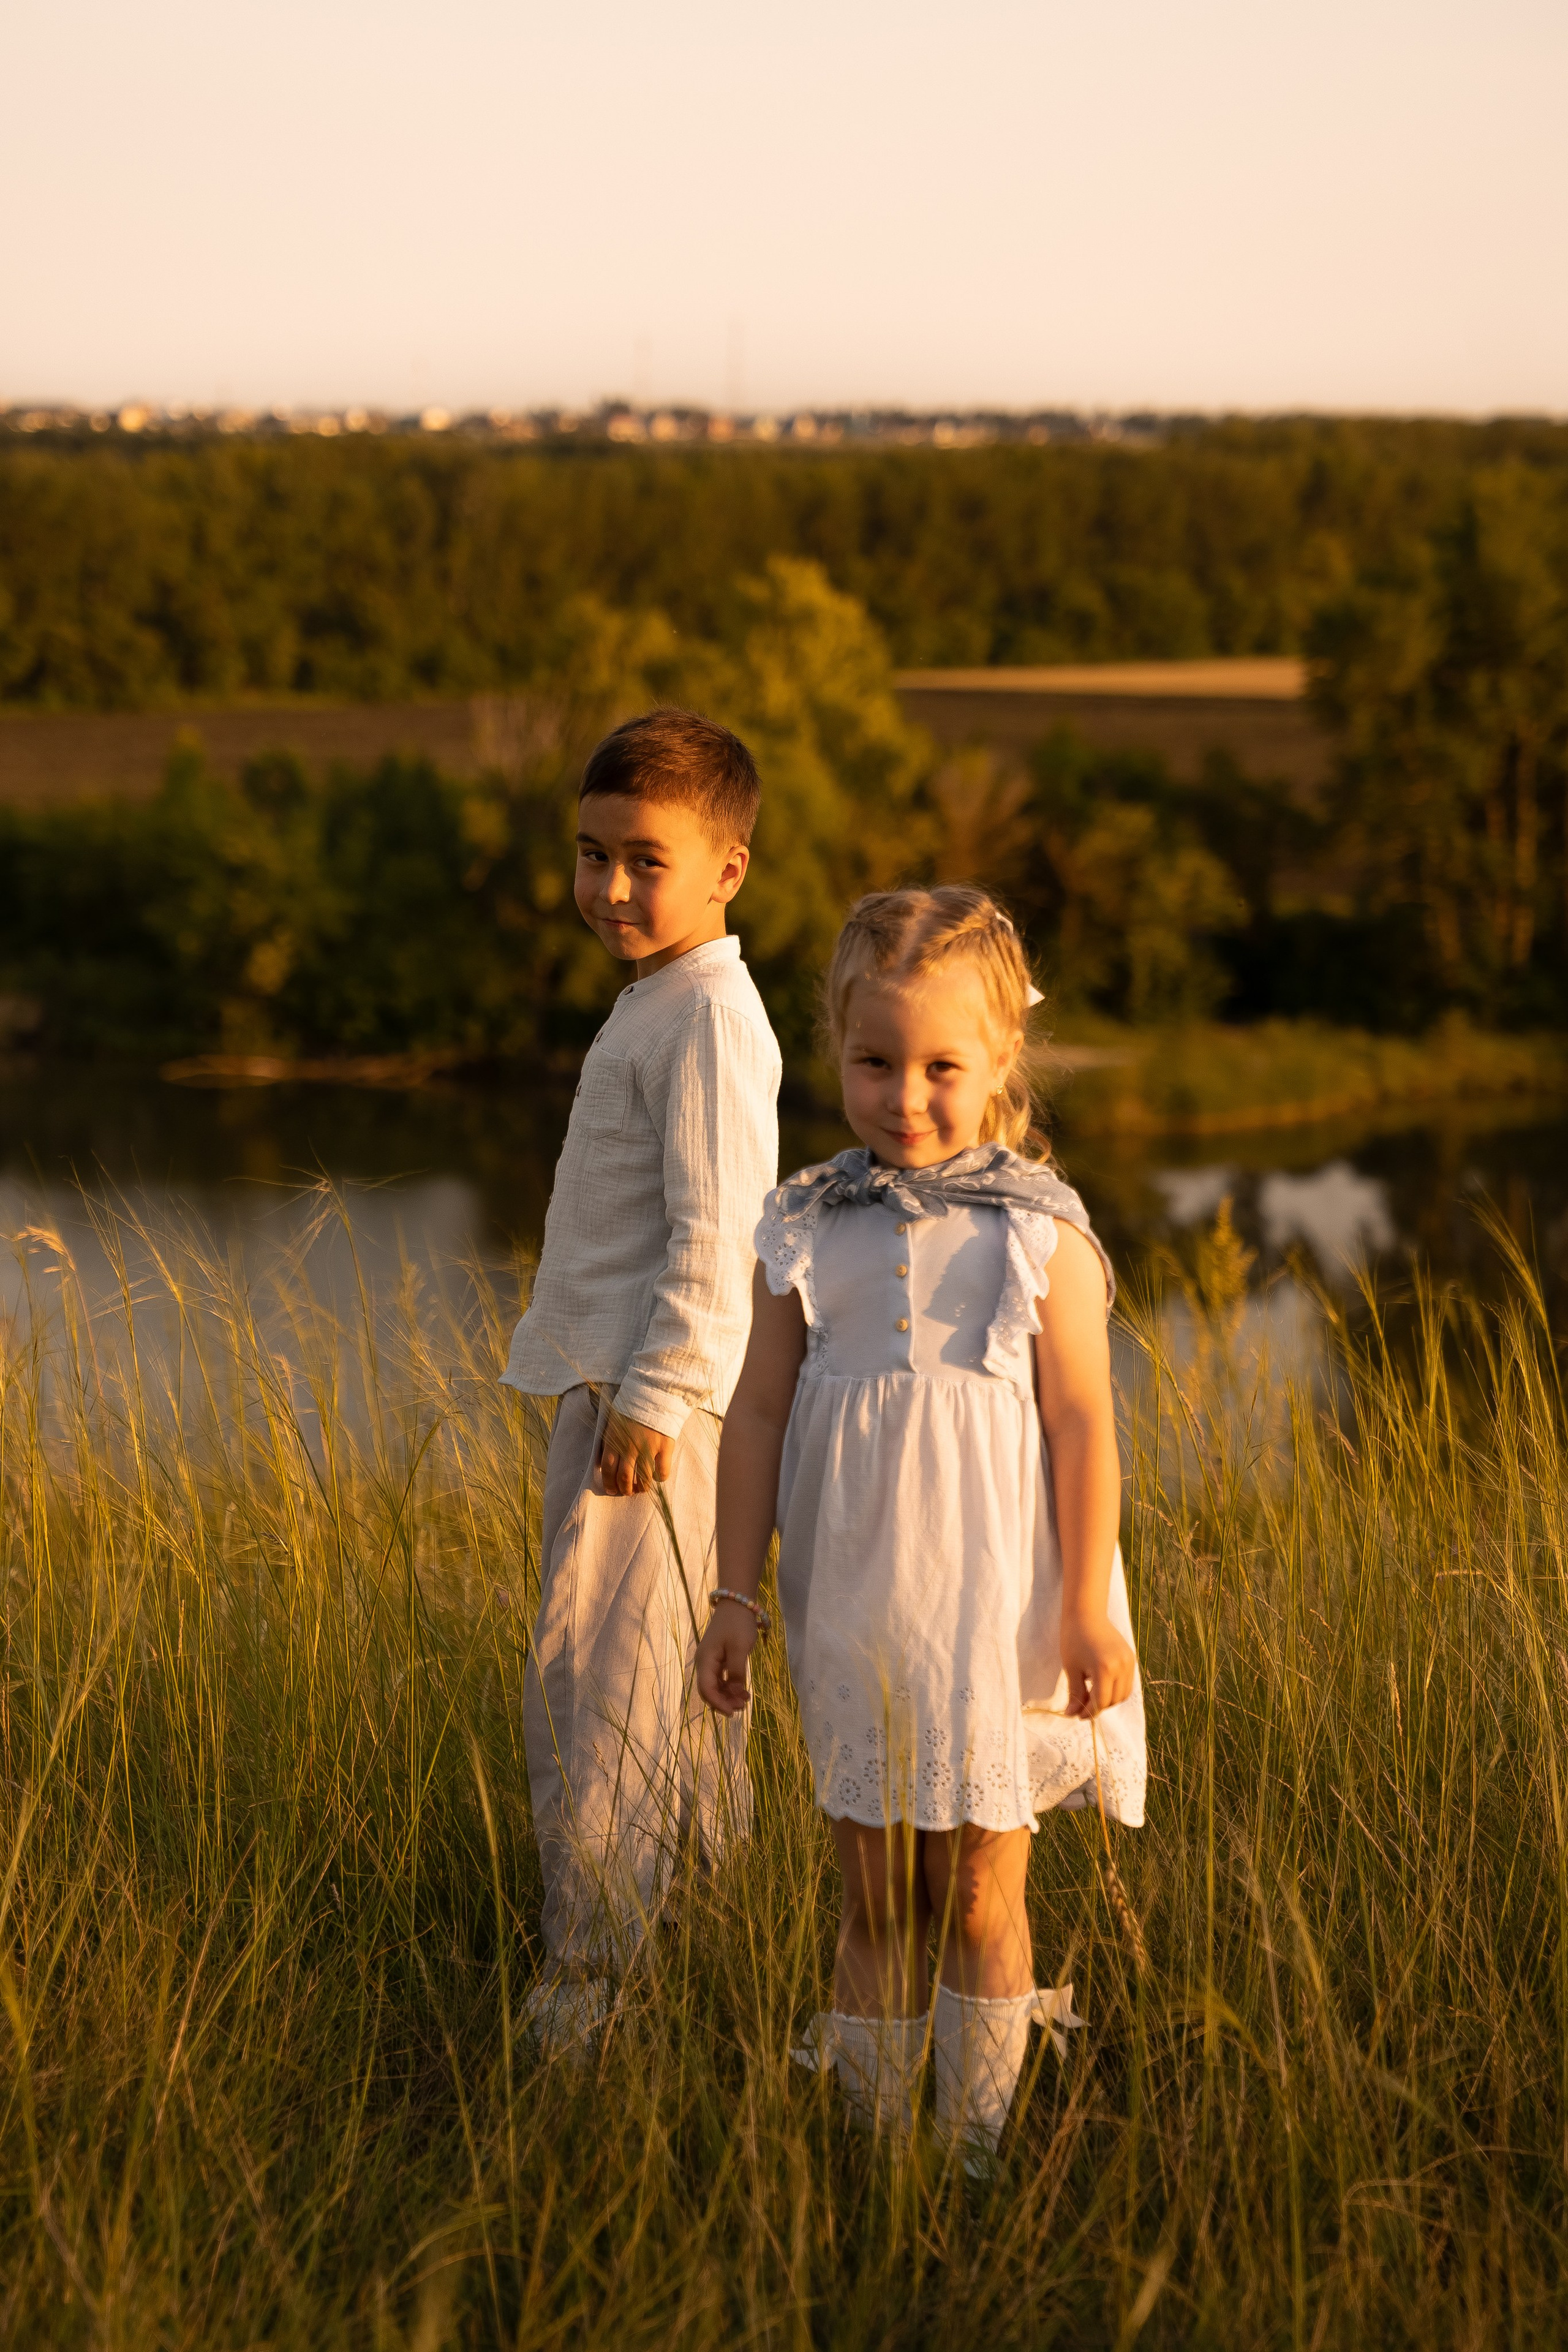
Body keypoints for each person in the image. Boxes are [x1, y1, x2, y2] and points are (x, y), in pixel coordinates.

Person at [695, 885, 1145, 2158]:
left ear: (1001, 1059)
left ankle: (973, 2156)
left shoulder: (1036, 1236)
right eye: (873, 1060)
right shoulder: (801, 1225)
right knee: (876, 1894)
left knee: (980, 1895)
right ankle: (876, 2147)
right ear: (833, 1048)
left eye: (941, 1066)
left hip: (998, 1615)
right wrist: (733, 1594)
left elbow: (1078, 1427)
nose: (904, 1096)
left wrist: (1080, 1607)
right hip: (855, 1609)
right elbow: (756, 1418)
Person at [503, 707, 781, 2039]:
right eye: (590, 853)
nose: (610, 886)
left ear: (727, 867)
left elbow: (719, 1229)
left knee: (602, 1694)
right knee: (651, 1690)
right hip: (625, 1398)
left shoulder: (711, 1020)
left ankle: (589, 1993)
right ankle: (680, 1961)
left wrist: (658, 1397)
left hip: (647, 1413)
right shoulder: (665, 1002)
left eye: (644, 859)